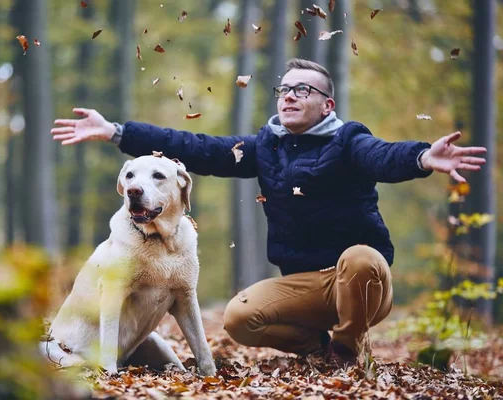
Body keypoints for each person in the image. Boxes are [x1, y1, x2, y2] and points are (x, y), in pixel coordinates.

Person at [50, 58, 487, 367]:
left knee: (361, 258)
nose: (290, 96)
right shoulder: (264, 148)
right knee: (240, 318)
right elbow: (198, 149)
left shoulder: (349, 140)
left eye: (303, 89)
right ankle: (321, 348)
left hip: (359, 280)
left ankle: (348, 346)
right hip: (304, 283)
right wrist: (118, 132)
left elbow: (381, 156)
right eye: (285, 89)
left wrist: (421, 158)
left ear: (327, 105)